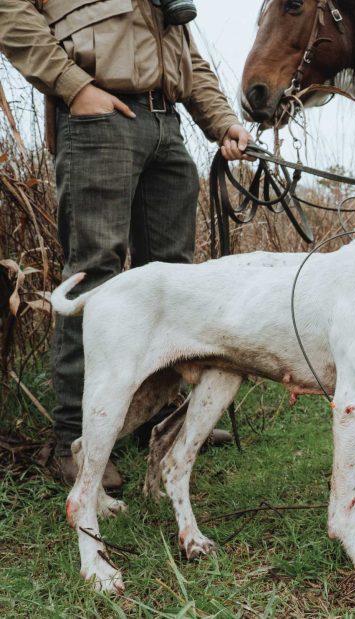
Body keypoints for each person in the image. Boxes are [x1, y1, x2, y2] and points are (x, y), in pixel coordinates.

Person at [0, 0, 254, 490]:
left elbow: (189, 56)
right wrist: (76, 89)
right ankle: (74, 437)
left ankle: (154, 419)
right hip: (99, 121)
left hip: (168, 124)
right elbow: (11, 14)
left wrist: (222, 122)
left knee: (174, 282)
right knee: (94, 278)